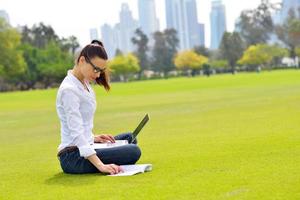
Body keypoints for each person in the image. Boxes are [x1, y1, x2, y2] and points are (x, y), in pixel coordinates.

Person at [56, 40, 141, 175]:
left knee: (130, 137)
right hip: (73, 157)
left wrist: (94, 137)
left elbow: (82, 125)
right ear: (82, 60)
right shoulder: (69, 90)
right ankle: (107, 160)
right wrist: (101, 166)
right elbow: (76, 133)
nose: (97, 75)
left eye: (100, 71)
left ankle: (113, 154)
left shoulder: (84, 83)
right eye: (95, 69)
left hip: (86, 145)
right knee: (133, 151)